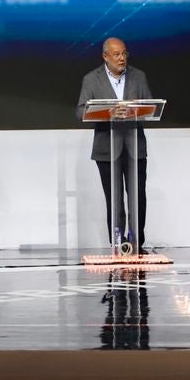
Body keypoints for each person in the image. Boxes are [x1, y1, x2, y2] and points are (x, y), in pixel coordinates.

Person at [77, 37, 153, 254]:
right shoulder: (91, 79)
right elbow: (80, 110)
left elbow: (150, 105)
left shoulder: (139, 76)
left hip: (134, 147)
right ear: (105, 56)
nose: (122, 58)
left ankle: (137, 244)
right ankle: (118, 245)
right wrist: (107, 113)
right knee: (114, 199)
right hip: (106, 148)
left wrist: (135, 109)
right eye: (117, 54)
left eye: (124, 53)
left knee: (138, 198)